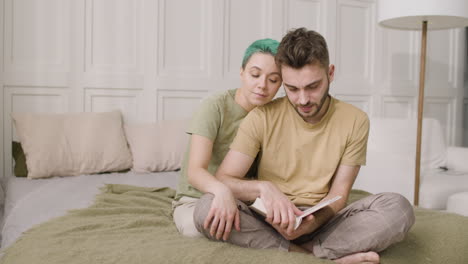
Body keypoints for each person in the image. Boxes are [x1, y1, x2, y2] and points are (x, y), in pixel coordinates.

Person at [193, 28, 415, 264]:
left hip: (324, 223)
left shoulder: (355, 120)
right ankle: (313, 255)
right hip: (267, 221)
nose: (303, 99)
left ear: (330, 73)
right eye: (292, 88)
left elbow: (339, 194)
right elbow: (224, 178)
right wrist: (264, 188)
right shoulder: (261, 117)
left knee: (398, 208)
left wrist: (313, 221)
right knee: (205, 208)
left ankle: (304, 250)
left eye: (312, 86)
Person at [172, 38, 282, 238]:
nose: (262, 85)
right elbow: (195, 172)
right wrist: (221, 191)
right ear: (242, 72)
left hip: (245, 200)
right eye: (255, 75)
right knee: (200, 229)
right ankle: (301, 251)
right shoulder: (215, 106)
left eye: (273, 80)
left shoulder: (273, 115)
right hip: (196, 198)